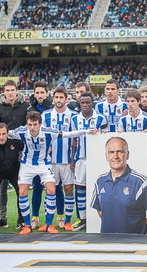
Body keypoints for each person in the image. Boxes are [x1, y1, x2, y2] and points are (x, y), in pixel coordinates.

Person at [10, 111, 86, 235]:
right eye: (30, 125)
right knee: (22, 191)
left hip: (44, 164)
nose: (32, 128)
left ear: (40, 124)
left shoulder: (49, 131)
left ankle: (49, 224)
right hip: (27, 164)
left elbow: (69, 134)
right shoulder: (21, 131)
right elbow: (2, 134)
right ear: (26, 124)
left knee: (51, 189)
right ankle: (27, 225)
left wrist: (86, 131)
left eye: (35, 124)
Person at [91, 136, 147, 234]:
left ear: (127, 155)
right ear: (106, 156)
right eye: (111, 152)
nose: (115, 156)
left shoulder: (141, 182)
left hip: (131, 245)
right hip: (106, 244)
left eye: (120, 151)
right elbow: (100, 211)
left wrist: (136, 235)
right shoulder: (100, 181)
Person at [0, 79, 31, 229]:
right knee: (1, 189)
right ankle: (3, 218)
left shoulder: (26, 106)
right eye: (7, 90)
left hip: (20, 150)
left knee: (20, 188)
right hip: (2, 151)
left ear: (17, 91)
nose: (10, 93)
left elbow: (30, 124)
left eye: (13, 90)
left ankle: (21, 218)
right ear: (3, 92)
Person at [69, 92, 108, 231]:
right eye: (82, 103)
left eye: (88, 102)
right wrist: (72, 160)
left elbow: (106, 138)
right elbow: (74, 141)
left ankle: (101, 219)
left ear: (92, 103)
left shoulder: (101, 118)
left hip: (97, 159)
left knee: (100, 189)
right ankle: (83, 219)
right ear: (79, 104)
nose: (85, 105)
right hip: (81, 159)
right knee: (80, 188)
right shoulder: (75, 119)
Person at [41, 86, 77, 230]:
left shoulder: (73, 115)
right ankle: (48, 222)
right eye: (56, 97)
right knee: (50, 189)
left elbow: (75, 139)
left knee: (68, 189)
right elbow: (42, 136)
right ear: (53, 98)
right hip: (50, 160)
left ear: (66, 99)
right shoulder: (46, 115)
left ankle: (67, 221)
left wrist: (73, 159)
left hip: (67, 160)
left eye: (62, 97)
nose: (59, 100)